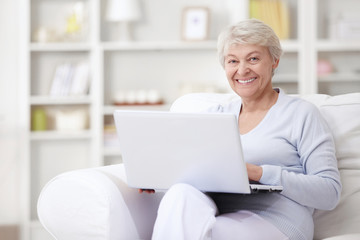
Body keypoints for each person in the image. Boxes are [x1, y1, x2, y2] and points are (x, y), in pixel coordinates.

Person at [141, 19, 342, 240]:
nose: (242, 70)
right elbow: (194, 172)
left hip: (278, 220)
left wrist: (258, 172)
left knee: (201, 234)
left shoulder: (301, 114)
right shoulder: (214, 115)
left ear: (274, 61)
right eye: (233, 61)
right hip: (219, 213)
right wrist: (159, 179)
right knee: (180, 194)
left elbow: (329, 192)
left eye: (253, 59)